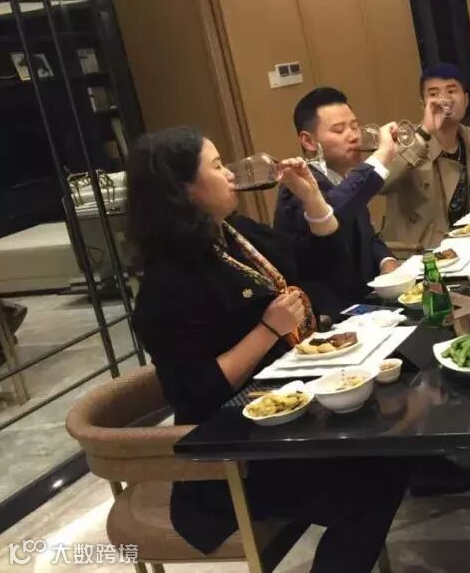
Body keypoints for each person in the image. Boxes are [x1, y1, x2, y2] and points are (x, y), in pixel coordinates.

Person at [128, 127, 409, 573]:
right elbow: (197, 392)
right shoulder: (167, 285)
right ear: (184, 190)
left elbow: (318, 265)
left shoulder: (234, 235)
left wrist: (311, 196)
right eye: (217, 166)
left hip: (288, 418)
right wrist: (267, 329)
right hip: (233, 456)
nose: (230, 174)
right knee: (372, 485)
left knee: (391, 444)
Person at [275, 87, 401, 314]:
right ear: (309, 141)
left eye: (354, 126)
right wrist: (382, 155)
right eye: (339, 130)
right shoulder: (298, 187)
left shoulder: (346, 179)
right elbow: (333, 212)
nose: (353, 136)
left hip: (370, 303)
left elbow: (368, 237)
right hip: (331, 316)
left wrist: (387, 263)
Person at [379, 63, 470, 248]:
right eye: (434, 94)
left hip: (468, 244)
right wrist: (425, 132)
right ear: (424, 105)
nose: (444, 100)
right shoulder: (406, 141)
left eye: (451, 91)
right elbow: (379, 183)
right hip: (420, 252)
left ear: (466, 100)